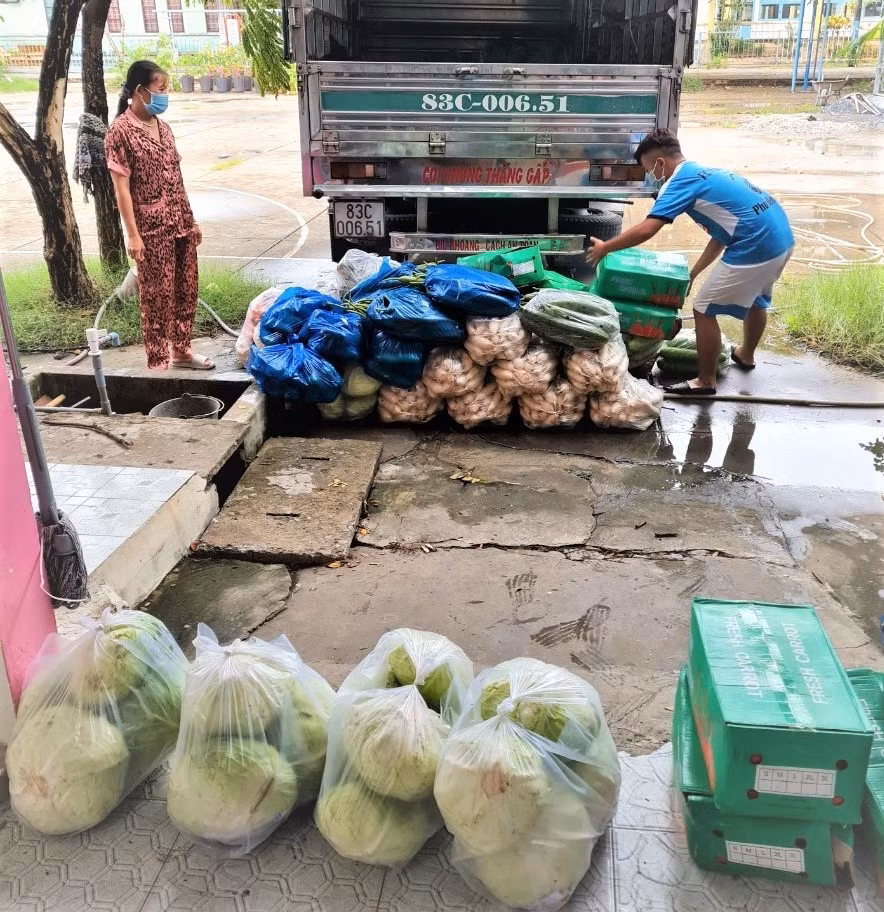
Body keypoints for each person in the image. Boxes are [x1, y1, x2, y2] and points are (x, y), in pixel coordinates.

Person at [586, 128, 794, 395]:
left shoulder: (679, 181)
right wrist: (694, 273)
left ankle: (705, 381)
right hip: (781, 238)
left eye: (649, 169)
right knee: (757, 299)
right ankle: (745, 355)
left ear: (660, 163)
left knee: (703, 309)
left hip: (756, 244)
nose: (652, 176)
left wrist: (606, 247)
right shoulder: (703, 172)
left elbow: (648, 228)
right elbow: (721, 235)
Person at [105, 60, 214, 371]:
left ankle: (181, 349)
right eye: (161, 89)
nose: (166, 95)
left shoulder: (164, 128)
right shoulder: (121, 132)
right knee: (157, 296)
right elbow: (121, 190)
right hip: (151, 229)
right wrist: (132, 234)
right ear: (140, 91)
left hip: (179, 222)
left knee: (186, 288)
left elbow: (176, 178)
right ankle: (158, 360)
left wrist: (190, 220)